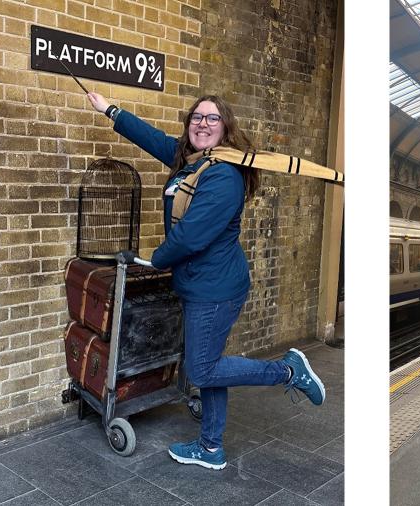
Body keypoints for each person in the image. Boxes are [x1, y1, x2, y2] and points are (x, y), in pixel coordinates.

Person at [86, 92, 325, 471]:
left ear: (226, 129)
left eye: (212, 119)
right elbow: (154, 140)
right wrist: (110, 110)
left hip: (214, 288)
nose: (202, 123)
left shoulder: (223, 175)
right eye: (197, 117)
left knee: (201, 369)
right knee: (209, 364)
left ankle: (288, 370)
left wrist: (156, 260)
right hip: (200, 282)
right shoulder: (193, 162)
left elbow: (192, 235)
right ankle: (211, 447)